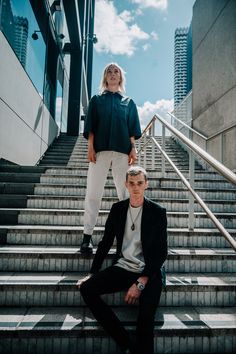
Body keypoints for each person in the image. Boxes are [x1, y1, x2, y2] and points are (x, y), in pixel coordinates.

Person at [77, 166, 168, 354]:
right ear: (126, 184)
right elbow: (105, 242)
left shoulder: (157, 212)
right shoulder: (118, 209)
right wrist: (93, 273)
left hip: (149, 273)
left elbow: (161, 252)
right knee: (87, 289)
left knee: (145, 320)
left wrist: (142, 281)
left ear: (146, 185)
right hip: (124, 267)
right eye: (132, 183)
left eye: (140, 183)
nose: (136, 188)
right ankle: (125, 342)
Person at [80, 63, 142, 254]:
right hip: (100, 153)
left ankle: (127, 238)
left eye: (116, 71)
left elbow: (132, 128)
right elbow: (91, 126)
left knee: (125, 195)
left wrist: (133, 148)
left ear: (121, 77)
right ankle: (87, 237)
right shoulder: (97, 100)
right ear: (105, 77)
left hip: (123, 153)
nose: (113, 74)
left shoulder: (128, 102)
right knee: (93, 193)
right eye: (109, 71)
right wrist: (90, 147)